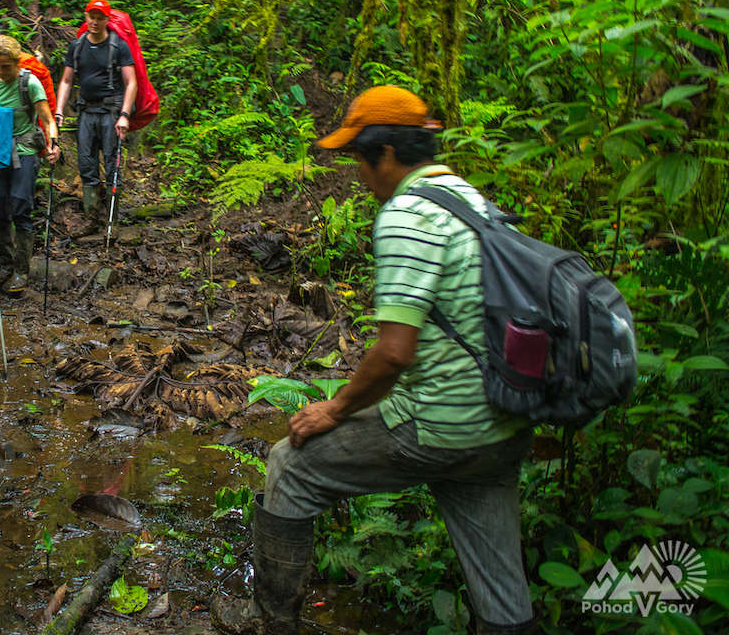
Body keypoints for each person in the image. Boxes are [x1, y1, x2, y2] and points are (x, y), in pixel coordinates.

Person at [211, 85, 535, 635]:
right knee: (502, 593)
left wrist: (334, 410)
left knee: (290, 463)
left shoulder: (407, 213)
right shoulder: (472, 201)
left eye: (359, 159)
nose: (359, 175)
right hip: (503, 419)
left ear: (385, 154)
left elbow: (393, 353)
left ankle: (269, 622)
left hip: (442, 423)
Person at [0, 35, 61, 295]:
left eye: (6, 66)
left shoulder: (30, 83)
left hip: (25, 150)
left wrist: (53, 144)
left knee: (20, 207)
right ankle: (6, 263)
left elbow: (47, 119)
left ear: (17, 62)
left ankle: (22, 270)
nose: (2, 71)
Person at [54, 0, 137, 229]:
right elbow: (67, 80)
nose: (95, 21)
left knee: (112, 163)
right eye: (92, 16)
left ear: (107, 20)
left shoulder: (118, 45)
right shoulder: (77, 46)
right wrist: (59, 109)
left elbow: (131, 83)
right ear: (86, 17)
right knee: (86, 163)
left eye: (100, 18)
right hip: (86, 112)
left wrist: (125, 115)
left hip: (111, 111)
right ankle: (91, 217)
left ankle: (112, 219)